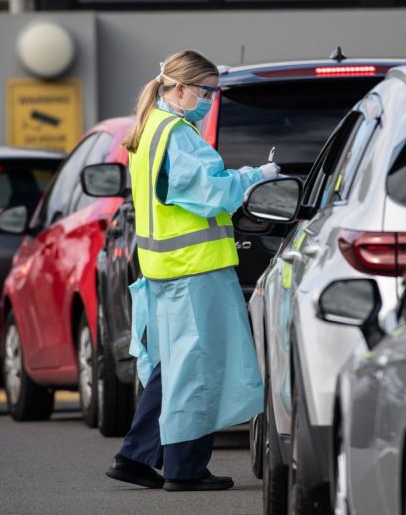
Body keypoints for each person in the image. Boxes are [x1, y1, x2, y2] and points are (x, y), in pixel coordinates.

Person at [105, 50, 280, 492]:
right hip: (194, 270)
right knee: (194, 369)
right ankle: (183, 468)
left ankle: (136, 455)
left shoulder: (151, 130)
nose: (209, 100)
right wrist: (256, 176)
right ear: (178, 88)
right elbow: (210, 194)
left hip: (167, 270)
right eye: (206, 91)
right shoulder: (177, 135)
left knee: (176, 366)